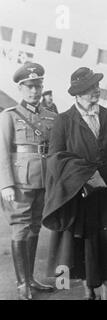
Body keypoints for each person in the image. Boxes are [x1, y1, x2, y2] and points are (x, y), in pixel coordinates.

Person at [42, 67, 107, 300]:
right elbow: (54, 158)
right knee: (88, 241)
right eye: (90, 87)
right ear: (77, 94)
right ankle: (89, 292)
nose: (96, 90)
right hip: (83, 191)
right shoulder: (64, 120)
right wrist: (82, 176)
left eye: (96, 85)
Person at [0, 62, 56, 300]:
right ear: (21, 88)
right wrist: (6, 184)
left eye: (38, 86)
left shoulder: (50, 117)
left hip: (43, 182)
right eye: (29, 86)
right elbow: (2, 151)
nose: (34, 91)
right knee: (20, 230)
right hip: (20, 184)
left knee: (34, 228)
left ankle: (31, 278)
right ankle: (22, 284)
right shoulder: (10, 116)